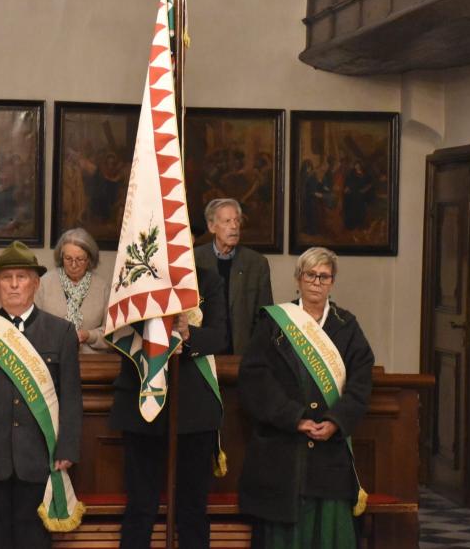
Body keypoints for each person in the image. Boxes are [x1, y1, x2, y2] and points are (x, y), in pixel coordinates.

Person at [0, 241, 83, 549]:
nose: (14, 284)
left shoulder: (61, 332)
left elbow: (72, 397)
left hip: (39, 456)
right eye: (6, 278)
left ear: (35, 284)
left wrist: (68, 447)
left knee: (33, 539)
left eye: (21, 277)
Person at [238, 247, 375, 549]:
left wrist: (336, 421)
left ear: (332, 282)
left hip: (330, 454)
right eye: (310, 275)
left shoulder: (346, 326)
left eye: (323, 276)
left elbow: (361, 382)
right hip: (282, 449)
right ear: (298, 278)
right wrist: (294, 417)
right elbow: (254, 378)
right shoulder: (275, 322)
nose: (316, 282)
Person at [109, 268, 228, 549]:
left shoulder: (207, 279)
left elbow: (220, 337)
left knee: (192, 508)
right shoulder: (134, 269)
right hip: (141, 404)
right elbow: (117, 328)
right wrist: (158, 336)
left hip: (193, 411)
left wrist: (187, 334)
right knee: (140, 506)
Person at [193, 198, 273, 354]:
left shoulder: (257, 263)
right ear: (211, 226)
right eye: (227, 221)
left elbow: (265, 316)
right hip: (203, 351)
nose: (234, 226)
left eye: (237, 220)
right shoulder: (195, 259)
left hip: (242, 352)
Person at [36, 228, 111, 353]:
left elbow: (112, 334)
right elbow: (33, 327)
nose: (74, 265)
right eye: (68, 258)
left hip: (92, 359)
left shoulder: (102, 287)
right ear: (61, 257)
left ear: (89, 259)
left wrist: (89, 335)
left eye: (80, 259)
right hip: (51, 356)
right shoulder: (44, 283)